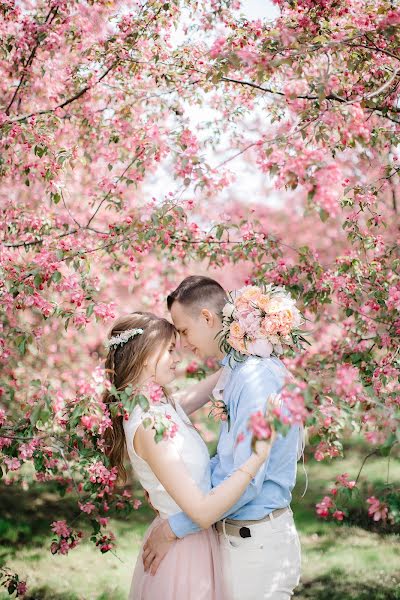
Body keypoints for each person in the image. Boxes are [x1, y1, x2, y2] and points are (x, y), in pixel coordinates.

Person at [142, 276, 302, 600]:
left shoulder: (255, 379)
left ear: (206, 318)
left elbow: (248, 479)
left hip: (256, 546)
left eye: (184, 331)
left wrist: (176, 527)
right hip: (236, 541)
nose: (184, 345)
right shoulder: (239, 369)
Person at [103, 311, 276, 600]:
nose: (178, 358)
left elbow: (208, 386)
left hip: (192, 544)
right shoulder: (148, 425)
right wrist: (256, 458)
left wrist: (249, 343)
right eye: (170, 349)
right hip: (183, 557)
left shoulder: (161, 406)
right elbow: (202, 512)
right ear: (145, 355)